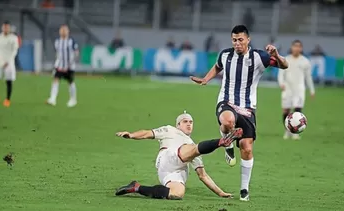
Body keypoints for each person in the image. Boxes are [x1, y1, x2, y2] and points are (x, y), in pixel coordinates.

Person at [190, 25, 288, 201]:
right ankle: (227, 145)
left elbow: (284, 66)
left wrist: (276, 55)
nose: (237, 43)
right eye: (234, 40)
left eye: (240, 40)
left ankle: (244, 190)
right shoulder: (225, 54)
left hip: (248, 108)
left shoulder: (259, 56)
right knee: (227, 122)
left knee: (247, 148)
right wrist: (206, 79)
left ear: (248, 40)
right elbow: (217, 66)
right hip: (226, 102)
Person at [114, 111, 243, 200]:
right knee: (189, 150)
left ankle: (136, 187)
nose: (188, 124)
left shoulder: (193, 146)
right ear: (178, 125)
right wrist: (131, 135)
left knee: (176, 194)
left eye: (191, 122)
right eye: (185, 121)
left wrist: (220, 193)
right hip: (167, 157)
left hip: (172, 173)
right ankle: (221, 142)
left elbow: (202, 175)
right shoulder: (170, 130)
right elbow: (147, 133)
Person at [278, 40, 315, 140]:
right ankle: (287, 130)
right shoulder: (286, 59)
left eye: (299, 46)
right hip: (287, 88)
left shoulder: (305, 61)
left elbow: (308, 77)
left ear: (301, 48)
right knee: (286, 110)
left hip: (299, 89)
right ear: (292, 47)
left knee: (298, 110)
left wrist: (312, 90)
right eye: (295, 46)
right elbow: (281, 73)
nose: (296, 48)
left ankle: (295, 132)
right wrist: (281, 83)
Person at [46, 24, 79, 107]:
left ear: (68, 31)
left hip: (69, 66)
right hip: (59, 66)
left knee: (70, 82)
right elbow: (57, 54)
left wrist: (70, 64)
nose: (63, 31)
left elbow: (76, 53)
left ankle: (73, 99)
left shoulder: (71, 41)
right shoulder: (57, 41)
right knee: (55, 80)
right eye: (62, 30)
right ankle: (53, 99)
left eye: (65, 30)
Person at [0, 21, 19, 107]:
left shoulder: (14, 38)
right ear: (2, 28)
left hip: (9, 62)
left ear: (9, 28)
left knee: (8, 81)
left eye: (7, 27)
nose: (5, 29)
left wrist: (8, 61)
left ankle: (7, 99)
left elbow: (14, 51)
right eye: (4, 27)